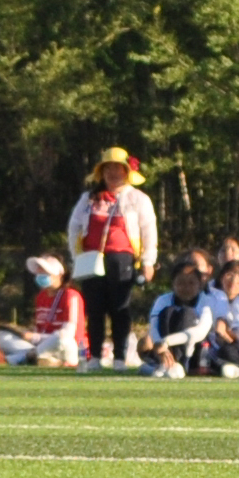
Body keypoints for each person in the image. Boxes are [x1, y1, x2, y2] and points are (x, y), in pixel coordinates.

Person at [64, 151, 157, 372]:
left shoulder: (138, 198)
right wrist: (75, 256)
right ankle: (94, 356)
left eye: (118, 168)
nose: (113, 173)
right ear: (101, 172)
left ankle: (120, 357)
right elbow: (74, 227)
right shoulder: (88, 198)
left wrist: (148, 261)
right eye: (108, 168)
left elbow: (148, 230)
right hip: (91, 259)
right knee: (95, 309)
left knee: (120, 308)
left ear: (127, 171)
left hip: (122, 258)